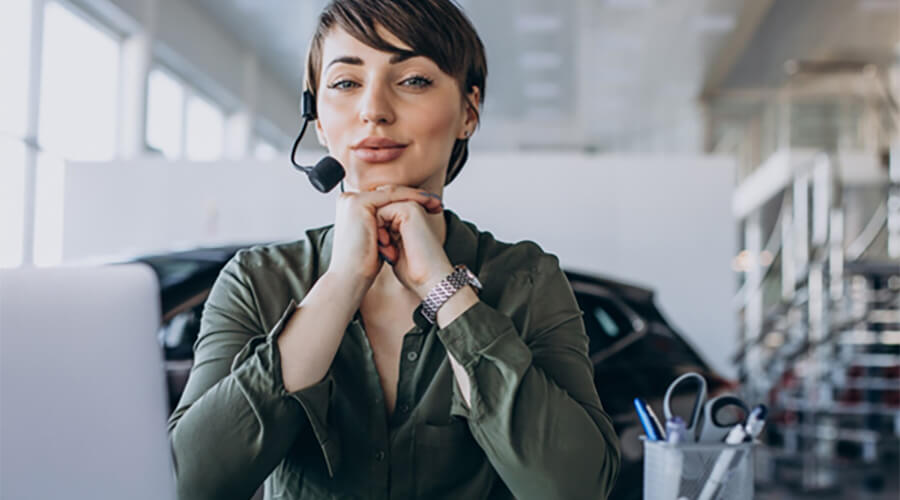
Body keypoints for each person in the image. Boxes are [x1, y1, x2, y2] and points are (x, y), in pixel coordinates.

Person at [167, 1, 620, 498]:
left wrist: (444, 290)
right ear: (316, 119)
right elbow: (192, 481)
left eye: (414, 80)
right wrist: (341, 284)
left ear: (468, 113)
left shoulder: (526, 278)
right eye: (345, 83)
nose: (374, 110)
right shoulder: (257, 280)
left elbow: (576, 487)